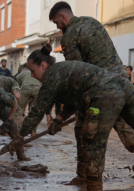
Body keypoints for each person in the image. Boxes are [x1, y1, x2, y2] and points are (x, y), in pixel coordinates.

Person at [11, 45, 134, 191]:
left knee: (93, 141)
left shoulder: (51, 76)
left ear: (42, 65)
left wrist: (19, 135)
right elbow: (75, 99)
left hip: (104, 96)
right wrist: (59, 119)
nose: (33, 76)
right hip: (124, 87)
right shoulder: (63, 70)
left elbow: (37, 111)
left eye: (33, 71)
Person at [49, 1, 134, 178]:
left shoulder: (70, 35)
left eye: (57, 22)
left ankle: (85, 180)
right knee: (129, 135)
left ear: (63, 16)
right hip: (123, 85)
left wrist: (62, 115)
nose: (58, 27)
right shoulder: (93, 21)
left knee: (84, 130)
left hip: (101, 92)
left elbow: (76, 75)